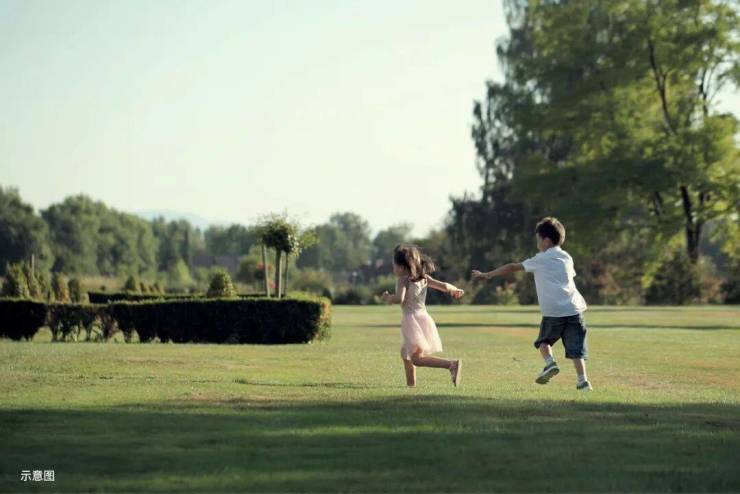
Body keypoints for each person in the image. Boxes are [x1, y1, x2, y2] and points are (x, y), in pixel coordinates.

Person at [472, 217, 592, 391]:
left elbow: (513, 267)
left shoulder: (541, 259)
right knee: (577, 350)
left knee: (544, 341)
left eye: (538, 240)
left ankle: (550, 363)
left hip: (554, 311)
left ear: (546, 240)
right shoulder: (567, 257)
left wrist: (488, 274)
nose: (537, 244)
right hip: (575, 310)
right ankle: (583, 381)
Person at [382, 244, 465, 387]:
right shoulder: (423, 278)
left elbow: (399, 299)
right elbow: (444, 286)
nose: (393, 268)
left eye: (394, 265)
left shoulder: (403, 279)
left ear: (401, 267)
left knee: (416, 359)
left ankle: (451, 365)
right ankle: (411, 386)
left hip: (412, 321)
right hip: (423, 318)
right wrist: (455, 289)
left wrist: (388, 298)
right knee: (405, 354)